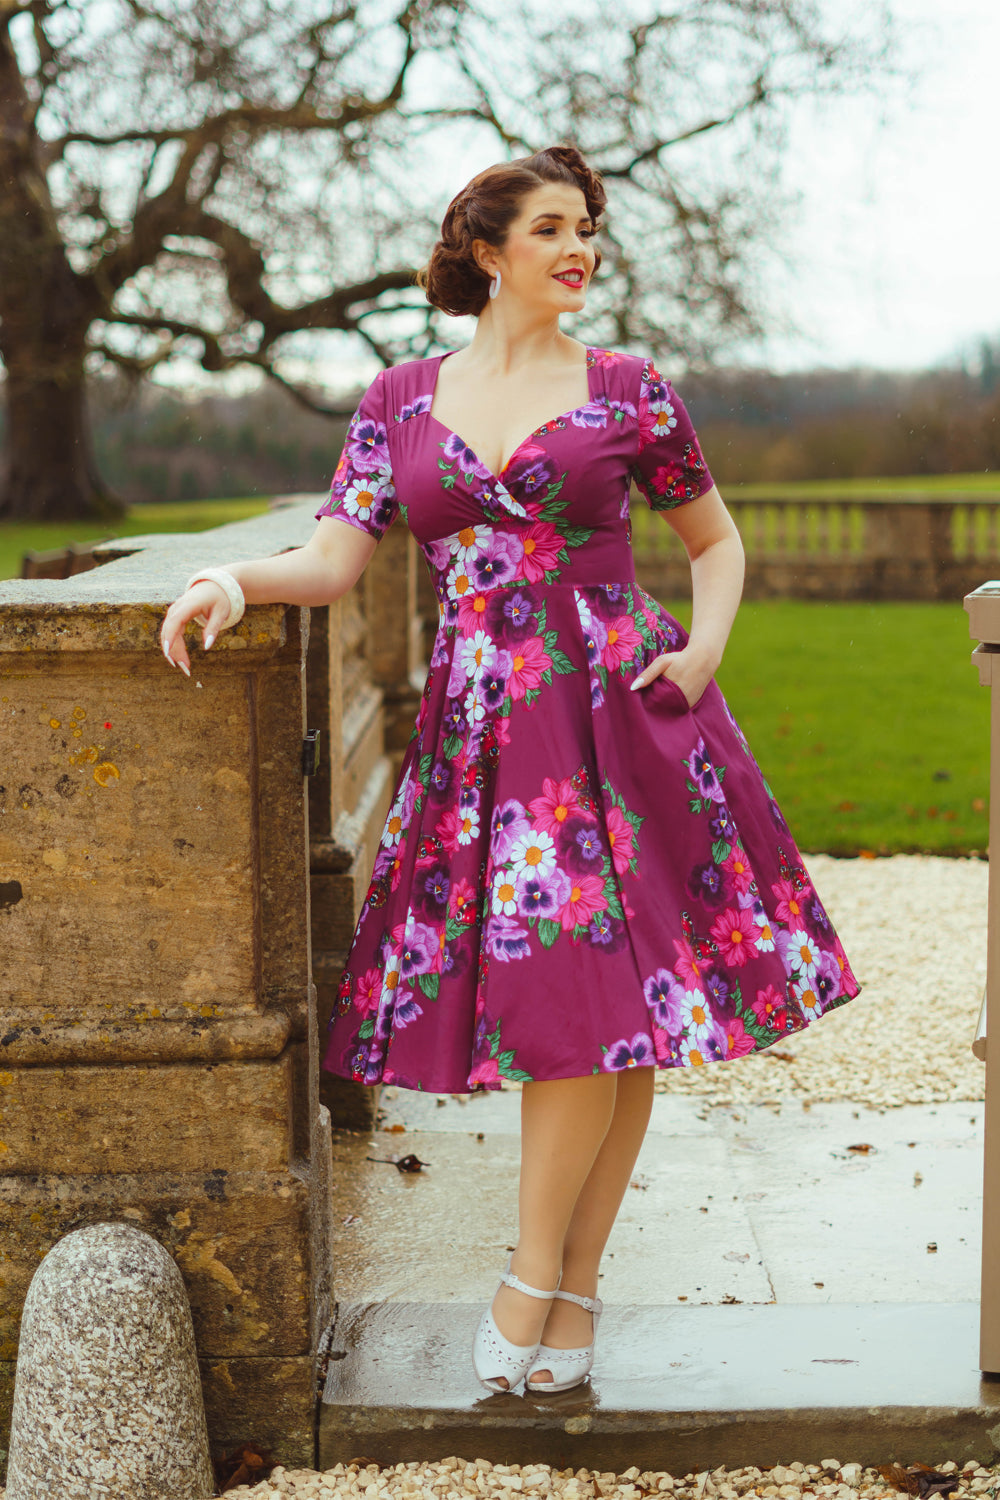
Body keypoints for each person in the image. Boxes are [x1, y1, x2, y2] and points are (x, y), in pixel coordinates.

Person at [160, 144, 861, 1399]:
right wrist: (224, 580)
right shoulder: (398, 400)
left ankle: (538, 1280)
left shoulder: (630, 389)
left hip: (622, 713)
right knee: (584, 1012)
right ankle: (567, 1284)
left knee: (603, 1012)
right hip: (485, 728)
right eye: (549, 228)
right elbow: (331, 563)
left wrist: (703, 651)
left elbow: (716, 543)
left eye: (585, 227)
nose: (578, 246)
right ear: (486, 251)